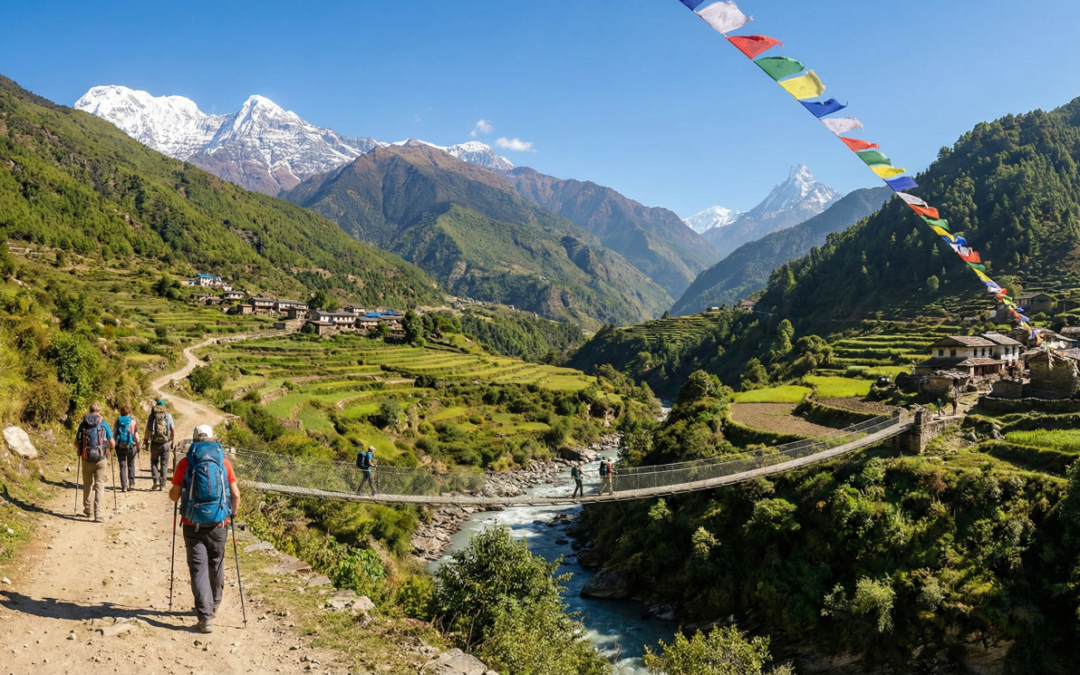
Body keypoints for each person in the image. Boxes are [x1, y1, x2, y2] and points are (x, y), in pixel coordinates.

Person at [169, 424, 240, 634]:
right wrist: (232, 514)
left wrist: (178, 494)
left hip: (193, 525)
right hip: (219, 523)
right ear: (212, 440)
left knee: (198, 570)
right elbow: (235, 495)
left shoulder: (185, 463)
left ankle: (205, 617)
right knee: (216, 564)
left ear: (193, 441)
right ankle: (215, 604)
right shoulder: (223, 462)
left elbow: (174, 496)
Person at [74, 402, 114, 522]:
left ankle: (88, 511)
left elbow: (76, 443)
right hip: (101, 459)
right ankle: (98, 514)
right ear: (99, 411)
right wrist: (108, 449)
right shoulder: (104, 424)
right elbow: (112, 444)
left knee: (87, 484)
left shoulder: (83, 424)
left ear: (90, 410)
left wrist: (83, 450)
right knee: (99, 485)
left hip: (86, 459)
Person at [145, 399, 175, 490]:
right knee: (164, 464)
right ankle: (163, 485)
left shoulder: (152, 416)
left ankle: (156, 481)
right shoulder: (168, 416)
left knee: (154, 462)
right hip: (165, 443)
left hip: (154, 443)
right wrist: (173, 441)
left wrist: (145, 440)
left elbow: (147, 430)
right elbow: (173, 429)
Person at [114, 405, 141, 492]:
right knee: (131, 465)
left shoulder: (117, 421)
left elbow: (115, 434)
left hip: (120, 447)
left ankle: (124, 486)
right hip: (131, 446)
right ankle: (132, 484)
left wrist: (115, 445)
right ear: (129, 412)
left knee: (122, 466)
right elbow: (136, 437)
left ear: (121, 412)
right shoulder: (132, 422)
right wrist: (138, 446)